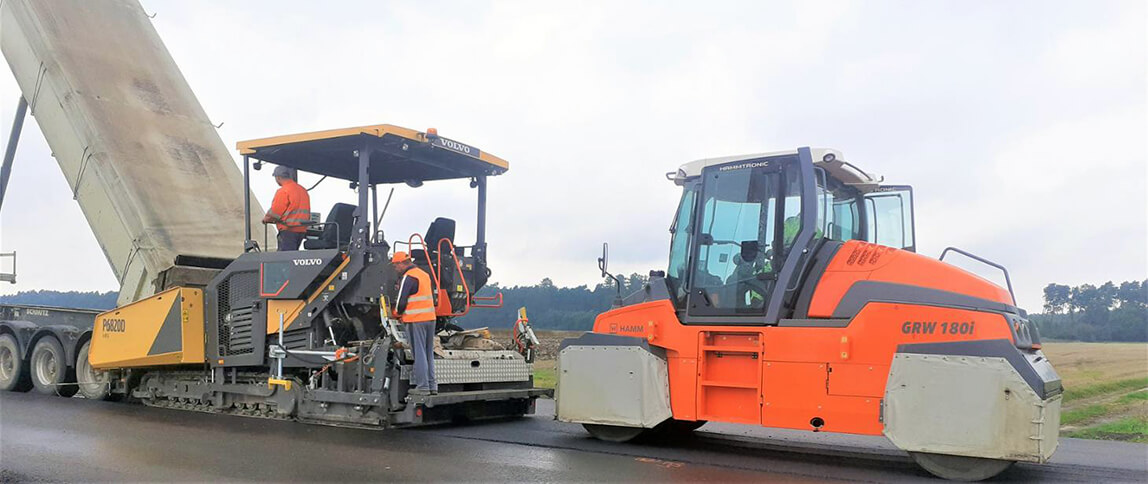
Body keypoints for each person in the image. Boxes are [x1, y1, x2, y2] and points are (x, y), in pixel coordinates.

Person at [392, 251, 438, 395]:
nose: (395, 269)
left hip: (415, 319)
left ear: (401, 263)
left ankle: (422, 387)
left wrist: (395, 314)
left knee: (418, 354)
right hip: (430, 319)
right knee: (428, 353)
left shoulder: (408, 277)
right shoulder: (424, 275)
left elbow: (401, 302)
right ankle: (432, 386)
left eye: (395, 265)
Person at [263, 165, 311, 251]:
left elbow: (276, 211)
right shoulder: (302, 190)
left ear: (278, 177)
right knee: (293, 257)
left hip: (288, 229)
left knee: (285, 259)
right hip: (301, 230)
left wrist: (266, 219)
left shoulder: (284, 191)